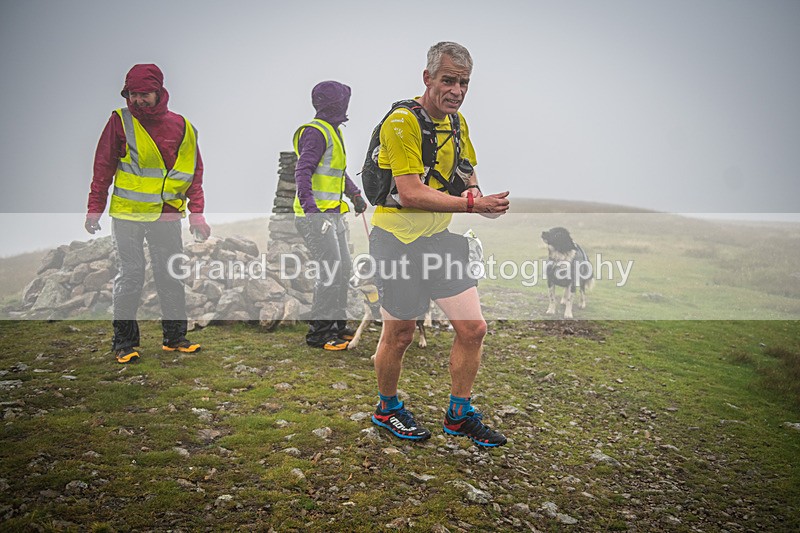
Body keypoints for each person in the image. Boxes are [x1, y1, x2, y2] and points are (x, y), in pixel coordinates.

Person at [369, 42, 510, 447]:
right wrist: (471, 205)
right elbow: (410, 193)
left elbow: (467, 172)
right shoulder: (401, 123)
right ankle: (387, 408)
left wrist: (481, 198)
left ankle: (459, 414)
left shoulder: (456, 123)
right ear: (427, 77)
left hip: (439, 240)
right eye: (448, 80)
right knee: (400, 334)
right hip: (395, 241)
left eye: (464, 82)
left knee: (473, 328)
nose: (457, 90)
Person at [85, 64, 210, 364]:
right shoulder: (120, 121)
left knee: (171, 276)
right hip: (128, 216)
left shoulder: (184, 127)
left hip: (167, 216)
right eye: (132, 94)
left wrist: (197, 215)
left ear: (159, 92)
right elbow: (103, 166)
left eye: (144, 94)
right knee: (130, 276)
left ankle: (175, 339)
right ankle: (124, 343)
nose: (137, 100)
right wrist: (94, 208)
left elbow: (194, 174)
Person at [293, 81, 367, 350]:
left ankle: (337, 325)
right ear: (335, 104)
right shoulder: (315, 133)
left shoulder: (333, 131)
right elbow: (302, 172)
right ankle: (319, 335)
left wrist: (355, 194)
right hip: (316, 218)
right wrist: (312, 212)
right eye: (343, 101)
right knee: (331, 271)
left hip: (333, 215)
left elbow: (336, 172)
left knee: (343, 269)